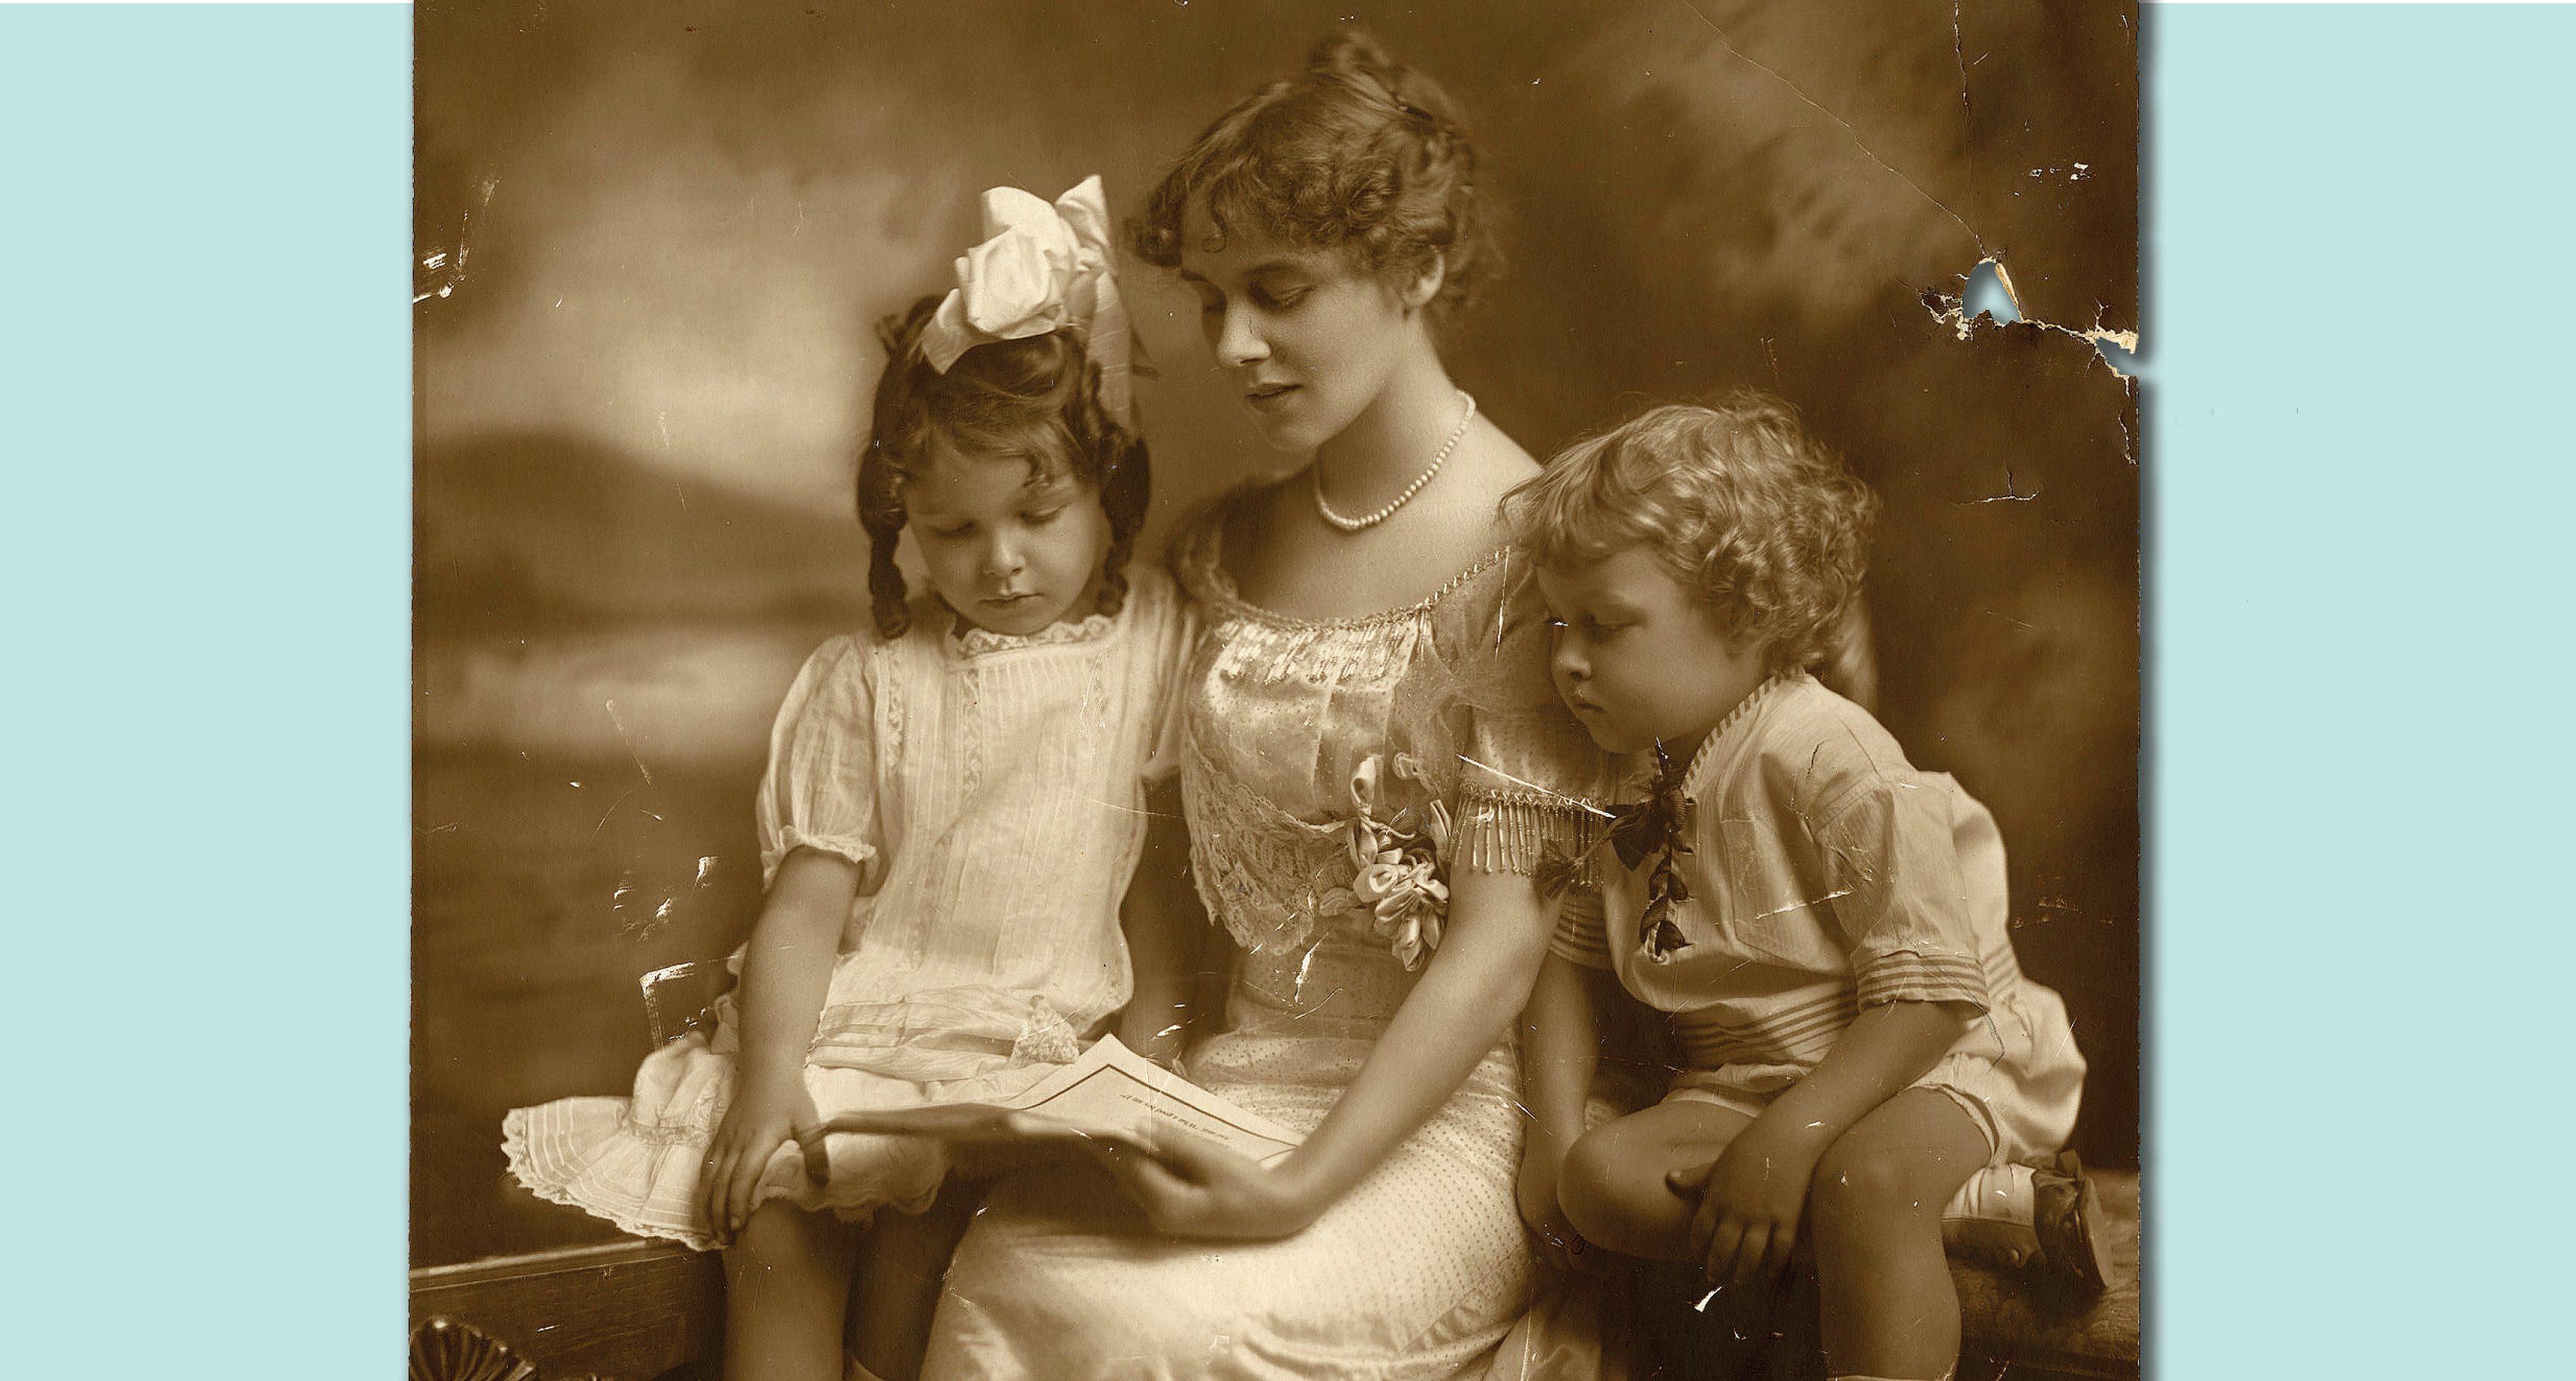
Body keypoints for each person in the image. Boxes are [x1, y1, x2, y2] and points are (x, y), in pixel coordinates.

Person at [918, 34, 1614, 1379]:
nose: (1234, 346)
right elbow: (1161, 868)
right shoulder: (1218, 545)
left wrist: (1292, 1188)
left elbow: (1494, 953)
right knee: (1012, 1271)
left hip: (1435, 1126)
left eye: (1277, 293)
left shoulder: (1534, 555)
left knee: (1170, 1329)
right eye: (1213, 303)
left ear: (1412, 268)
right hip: (1224, 1081)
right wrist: (1134, 1090)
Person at [503, 176, 1200, 1381]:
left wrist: (1146, 1070)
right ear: (903, 526)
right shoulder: (872, 680)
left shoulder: (1151, 649)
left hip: (1024, 1058)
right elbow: (807, 907)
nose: (1000, 561)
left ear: (1107, 487)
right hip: (861, 1026)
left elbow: (1154, 885)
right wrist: (769, 1078)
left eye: (1036, 513)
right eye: (952, 530)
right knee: (777, 1202)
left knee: (923, 1272)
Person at [1509, 396, 2113, 1381]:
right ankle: (1969, 1214)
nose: (1568, 662)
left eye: (1606, 627)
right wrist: (1553, 1135)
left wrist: (1795, 1134)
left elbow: (1931, 993)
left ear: (1744, 613)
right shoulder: (1616, 768)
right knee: (1599, 1179)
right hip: (1748, 1084)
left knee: (1865, 1179)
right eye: (1557, 625)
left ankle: (1895, 1209)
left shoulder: (1829, 756)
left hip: (1923, 1059)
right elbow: (1567, 966)